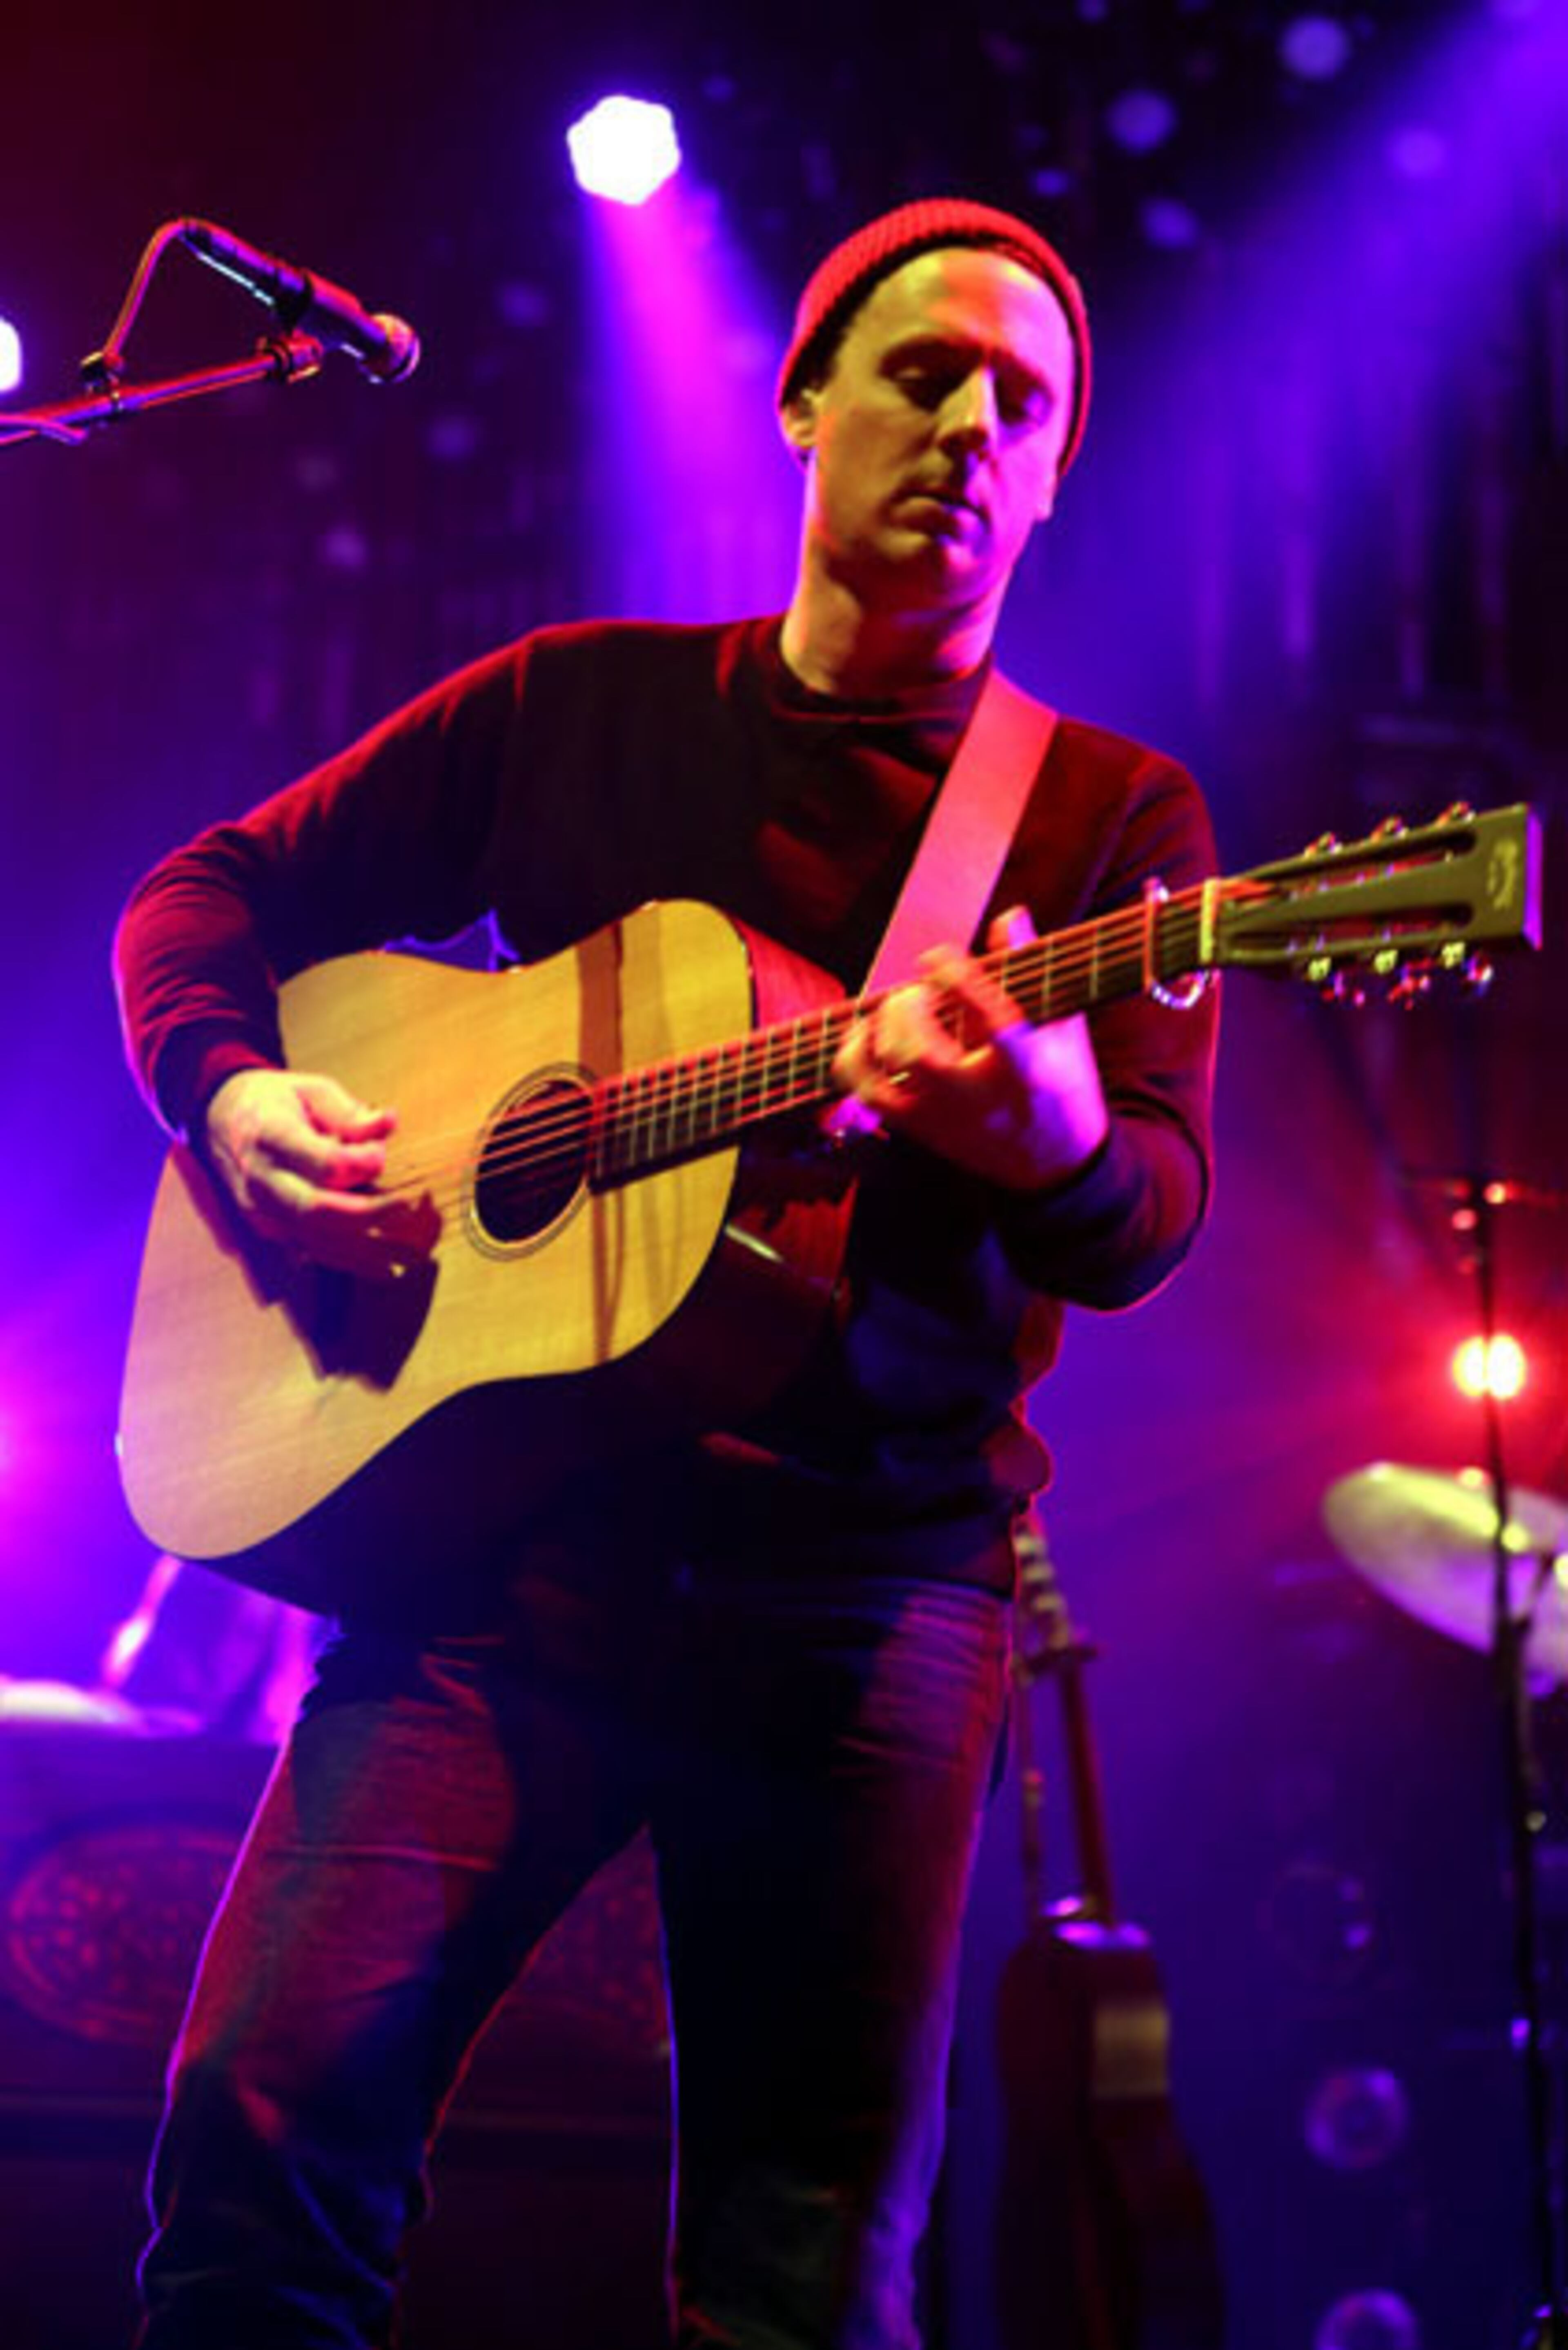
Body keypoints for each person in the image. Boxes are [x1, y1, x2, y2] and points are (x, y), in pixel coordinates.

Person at [114, 197, 1218, 2350]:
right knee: (259, 2148)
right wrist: (233, 1104)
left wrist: (1060, 1143)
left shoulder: (1101, 818)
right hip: (501, 1571)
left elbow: (1158, 1208)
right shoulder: (577, 710)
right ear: (808, 400)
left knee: (801, 2284)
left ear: (1062, 468)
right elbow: (207, 895)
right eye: (923, 373)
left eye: (1027, 401)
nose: (973, 425)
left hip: (868, 1603)